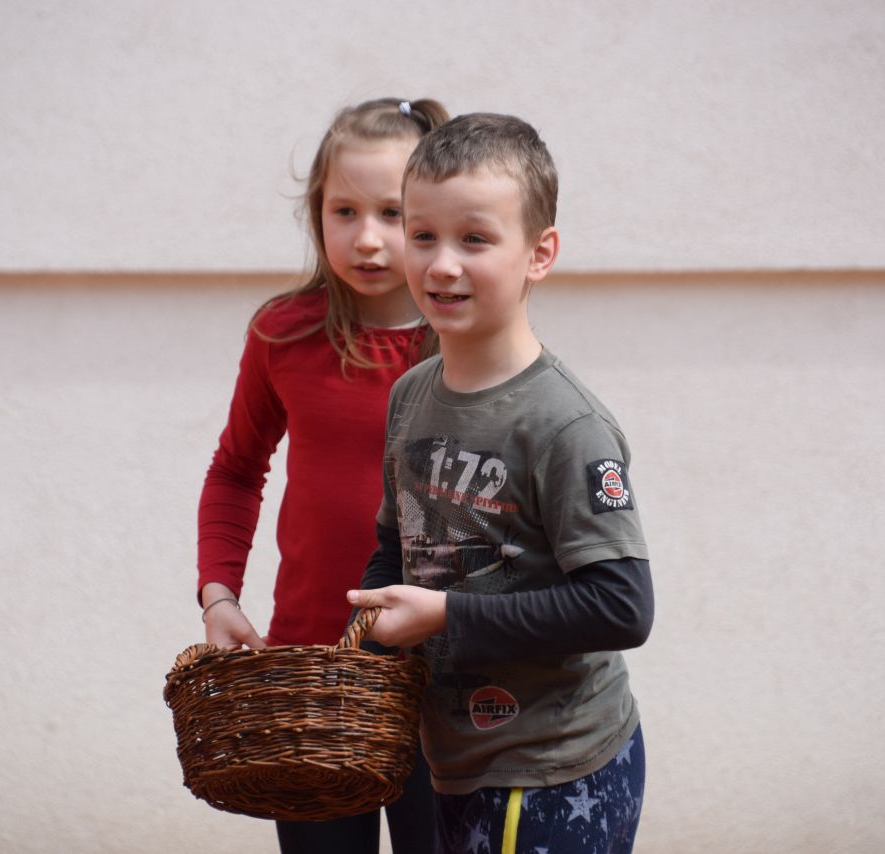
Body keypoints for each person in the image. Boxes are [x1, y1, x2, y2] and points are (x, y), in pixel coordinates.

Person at [347, 113, 655, 854]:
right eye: (423, 235)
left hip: (553, 772)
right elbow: (395, 547)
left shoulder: (566, 424)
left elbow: (623, 606)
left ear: (539, 254)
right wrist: (364, 639)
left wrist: (445, 617)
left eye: (475, 239)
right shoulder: (410, 395)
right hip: (455, 762)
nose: (441, 265)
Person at [196, 97, 449, 854]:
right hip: (313, 673)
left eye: (392, 213)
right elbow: (235, 469)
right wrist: (218, 593)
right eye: (345, 211)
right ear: (317, 213)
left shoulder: (467, 340)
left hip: (446, 677)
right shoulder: (284, 332)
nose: (366, 238)